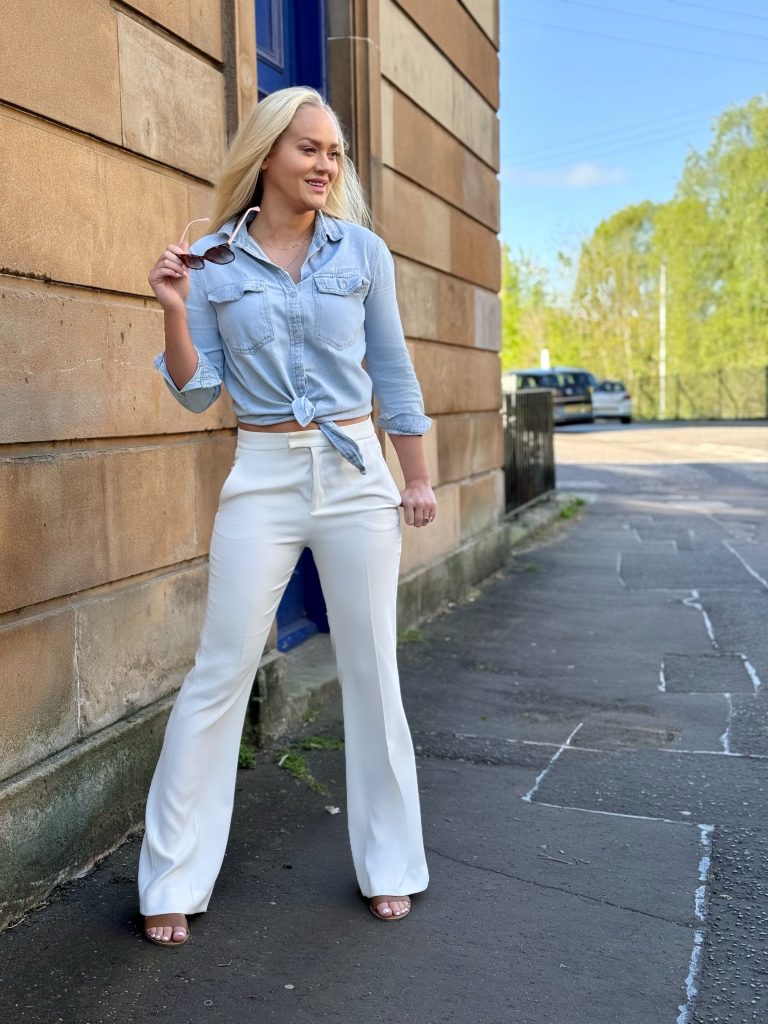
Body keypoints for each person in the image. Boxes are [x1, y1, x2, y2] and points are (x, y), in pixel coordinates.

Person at [140, 85, 436, 946]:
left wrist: (413, 479)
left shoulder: (364, 253)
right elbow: (198, 393)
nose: (325, 165)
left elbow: (395, 373)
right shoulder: (210, 259)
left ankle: (391, 864)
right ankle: (172, 875)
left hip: (355, 471)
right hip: (264, 470)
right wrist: (170, 308)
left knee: (374, 670)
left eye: (335, 152)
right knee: (219, 669)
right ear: (268, 154)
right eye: (309, 148)